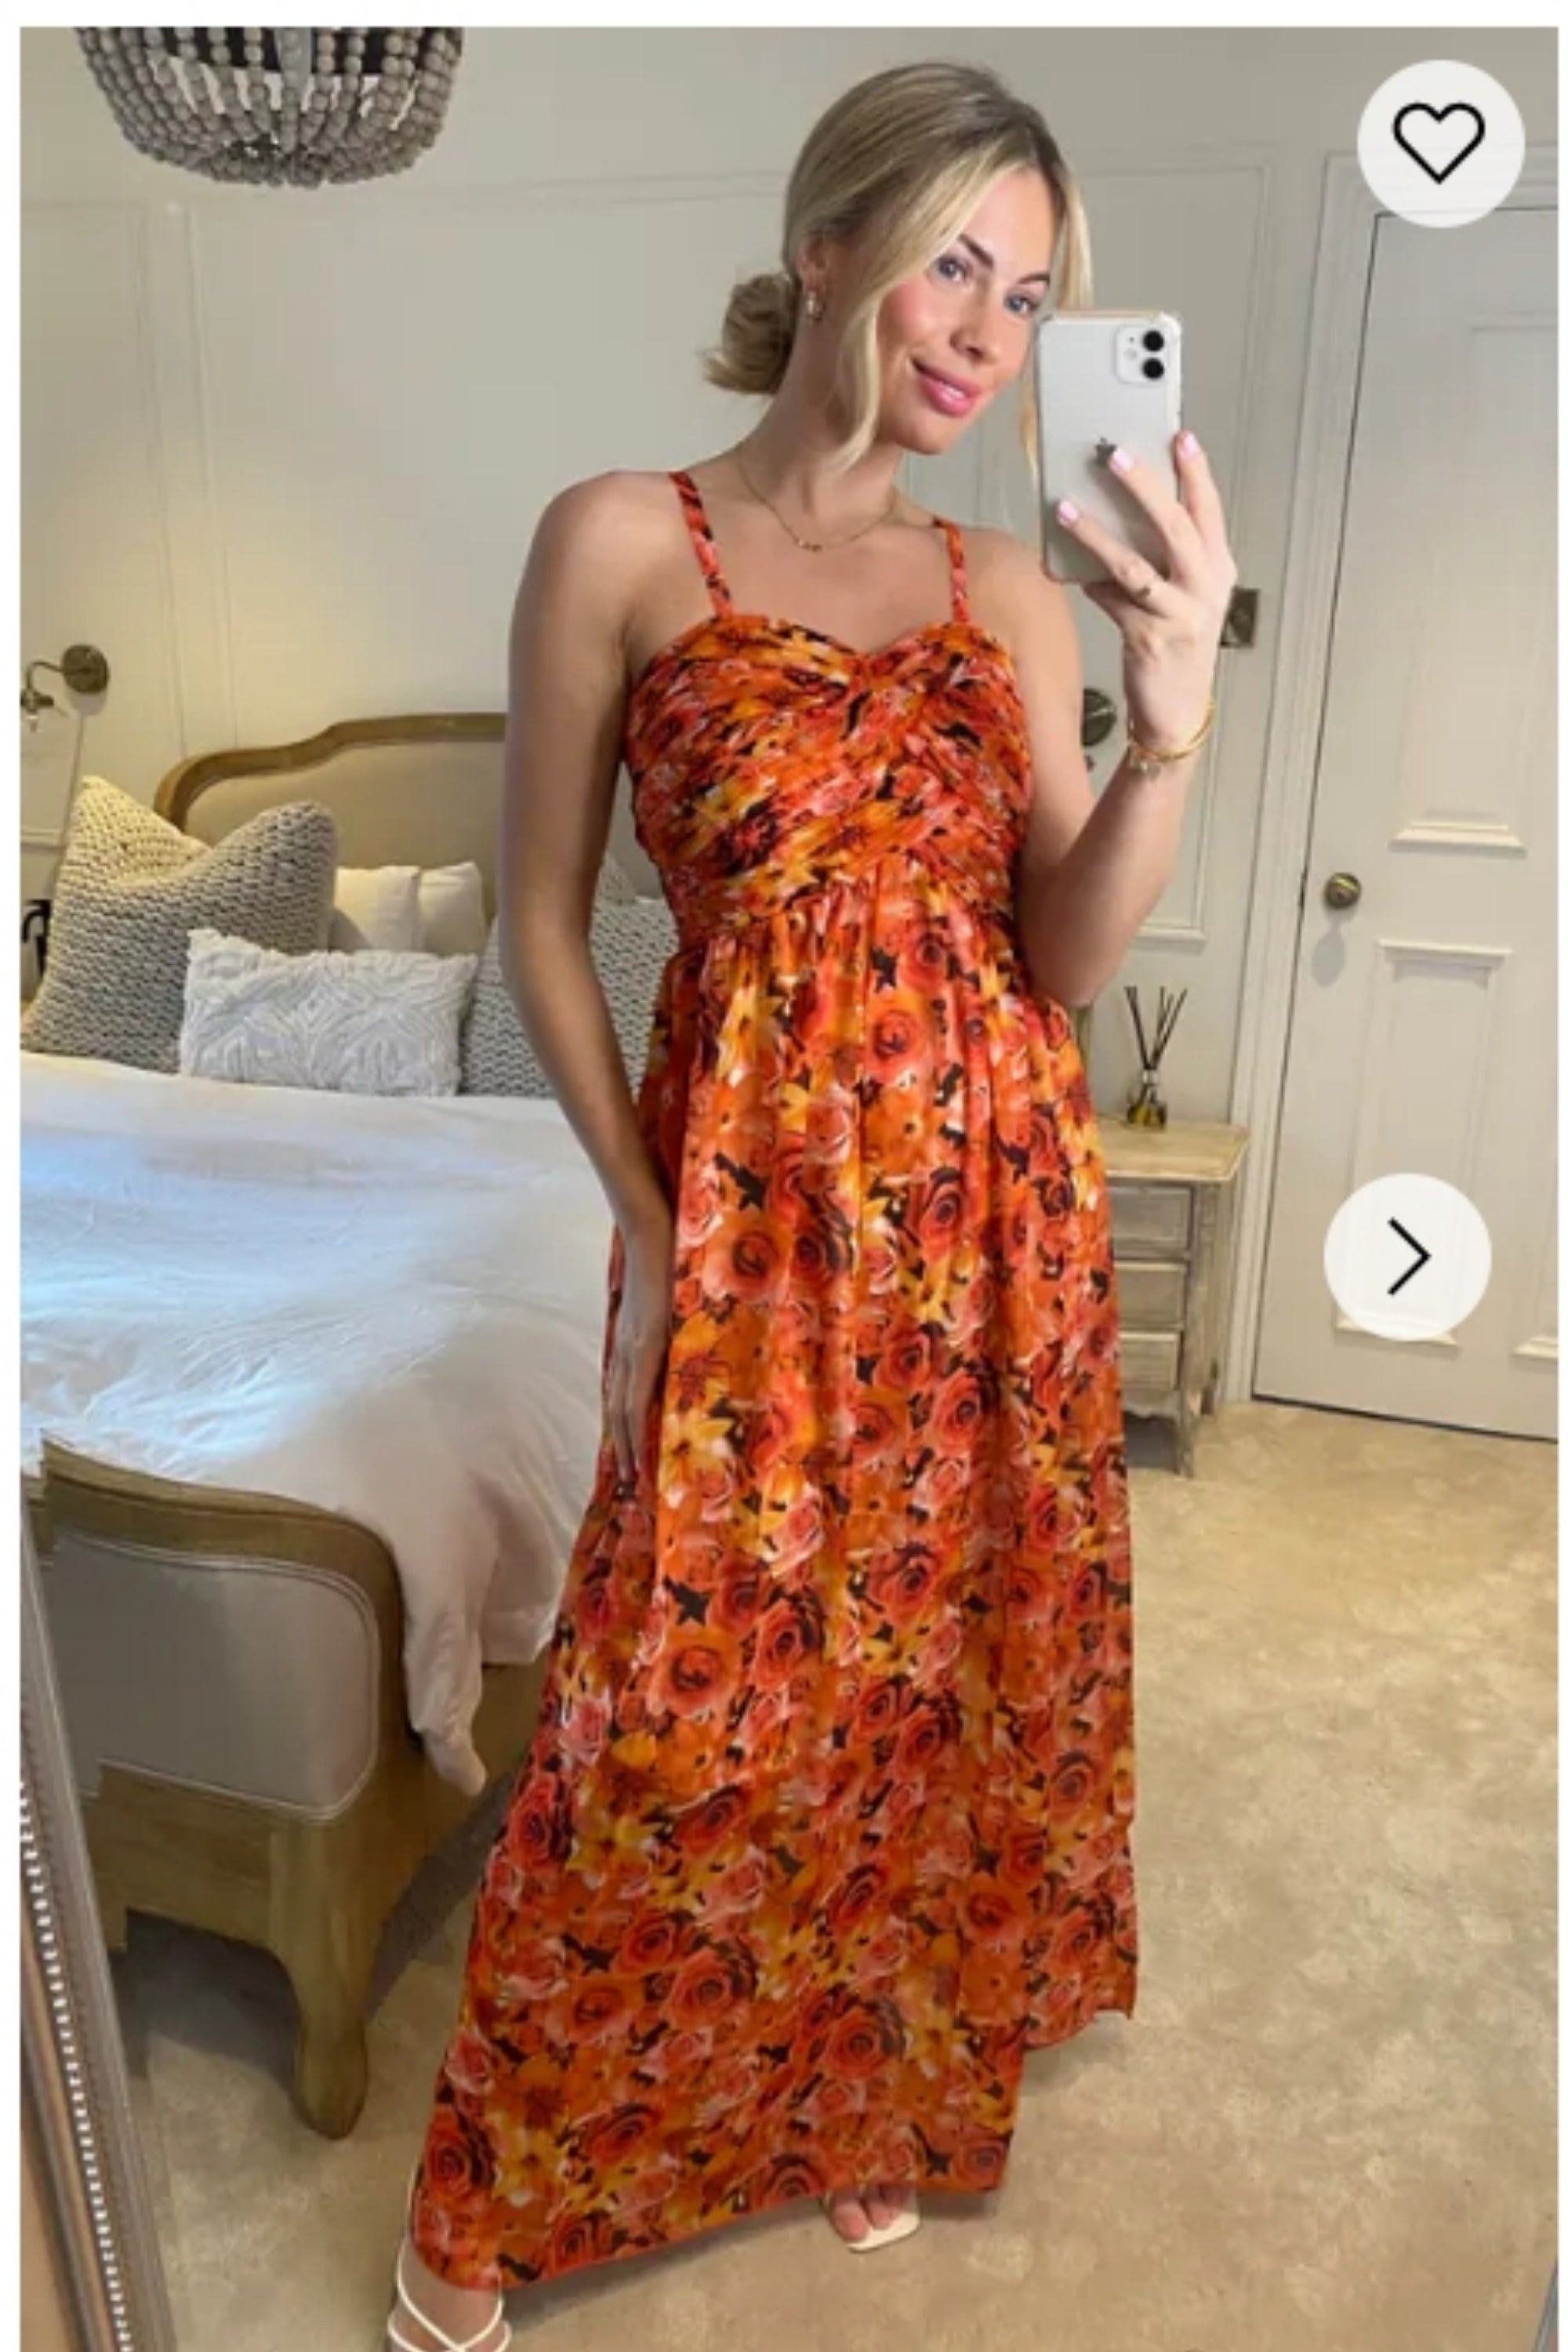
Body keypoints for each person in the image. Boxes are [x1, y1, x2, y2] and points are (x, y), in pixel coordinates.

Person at [385, 56, 1235, 2352]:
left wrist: (1168, 715)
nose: (985, 331)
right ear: (828, 241)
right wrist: (647, 1225)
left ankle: (857, 2083)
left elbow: (1064, 958)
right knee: (666, 1708)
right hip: (751, 1229)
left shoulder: (1006, 591)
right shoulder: (622, 540)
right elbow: (541, 923)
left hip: (996, 1229)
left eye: (1029, 295)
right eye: (954, 261)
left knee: (928, 1685)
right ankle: (491, 2188)